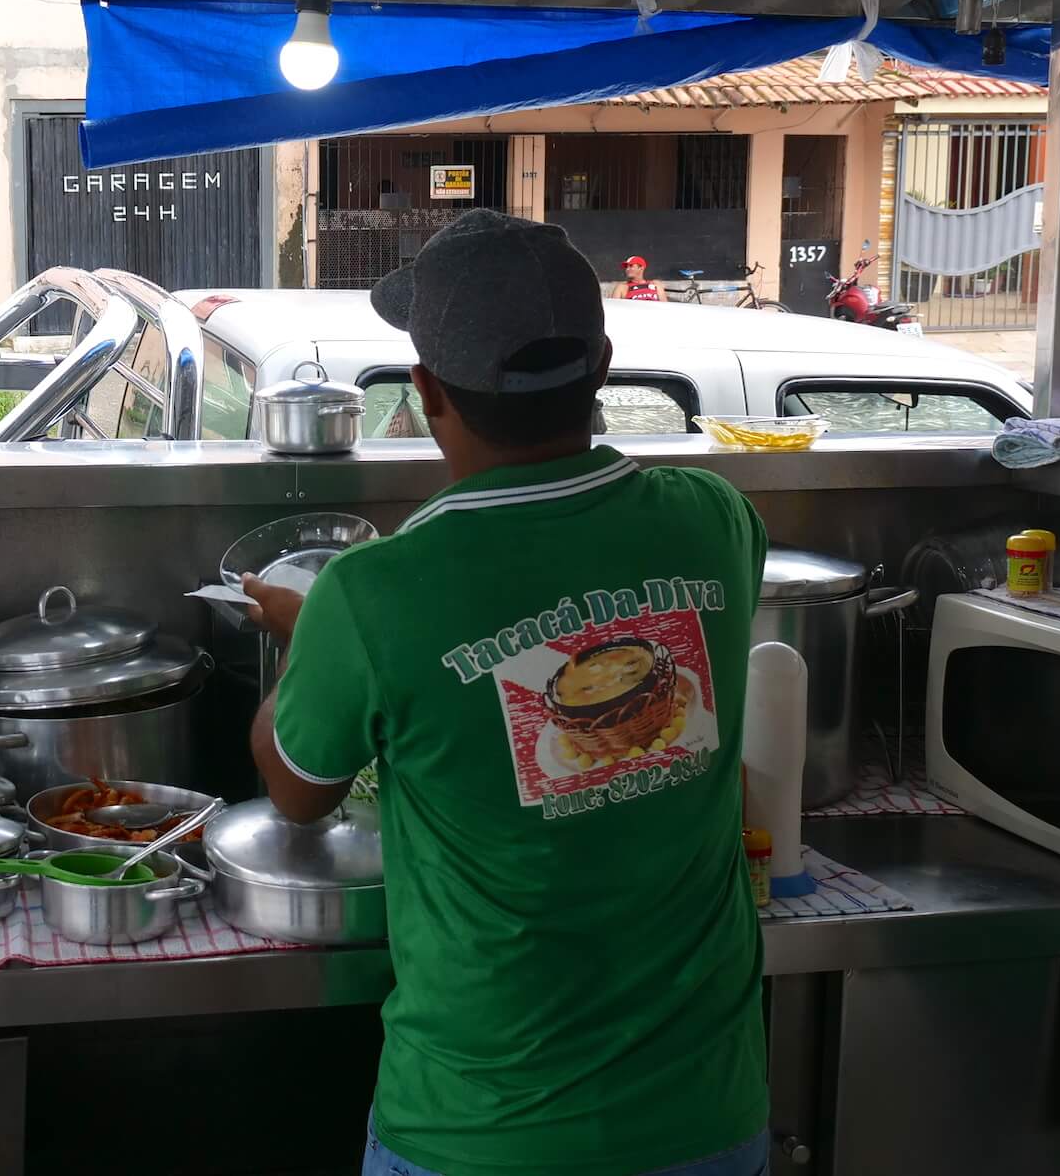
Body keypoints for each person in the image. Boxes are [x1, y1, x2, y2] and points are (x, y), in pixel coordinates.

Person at [242, 210, 771, 1176]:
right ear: (603, 365)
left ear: (427, 391)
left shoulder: (374, 594)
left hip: (480, 1131)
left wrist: (304, 643)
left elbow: (298, 789)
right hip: (709, 1117)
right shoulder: (717, 522)